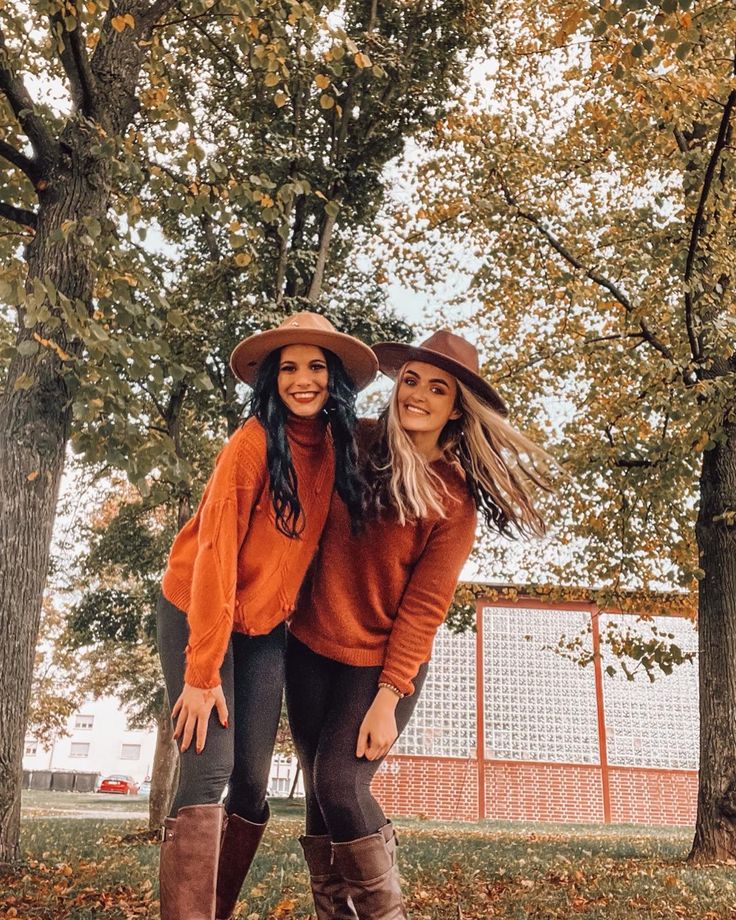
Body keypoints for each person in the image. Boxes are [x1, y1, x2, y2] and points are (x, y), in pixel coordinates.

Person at [286, 330, 553, 919]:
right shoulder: (351, 444)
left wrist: (389, 696)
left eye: (438, 389)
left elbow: (426, 605)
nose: (418, 396)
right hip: (308, 646)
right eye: (411, 380)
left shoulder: (454, 498)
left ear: (455, 407)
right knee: (316, 796)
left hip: (382, 663)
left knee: (339, 783)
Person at [156, 312, 378, 920]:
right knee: (211, 770)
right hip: (199, 609)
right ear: (271, 380)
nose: (302, 379)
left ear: (333, 379)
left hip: (262, 628)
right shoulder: (250, 445)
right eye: (288, 368)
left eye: (315, 367)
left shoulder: (337, 447)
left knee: (252, 783)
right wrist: (201, 676)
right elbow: (214, 555)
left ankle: (215, 909)